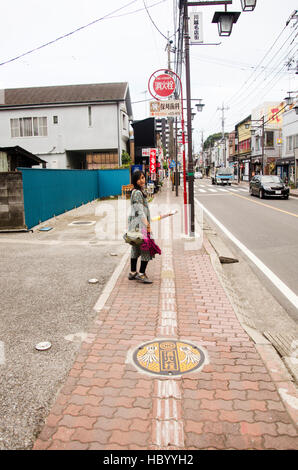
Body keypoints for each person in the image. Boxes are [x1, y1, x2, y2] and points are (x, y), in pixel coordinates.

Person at [127, 170, 154, 284]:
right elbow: (140, 210)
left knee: (135, 247)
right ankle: (141, 274)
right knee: (146, 249)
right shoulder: (137, 192)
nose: (142, 180)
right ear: (135, 181)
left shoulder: (136, 191)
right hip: (140, 224)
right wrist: (147, 225)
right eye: (139, 178)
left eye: (143, 177)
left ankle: (133, 272)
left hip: (135, 224)